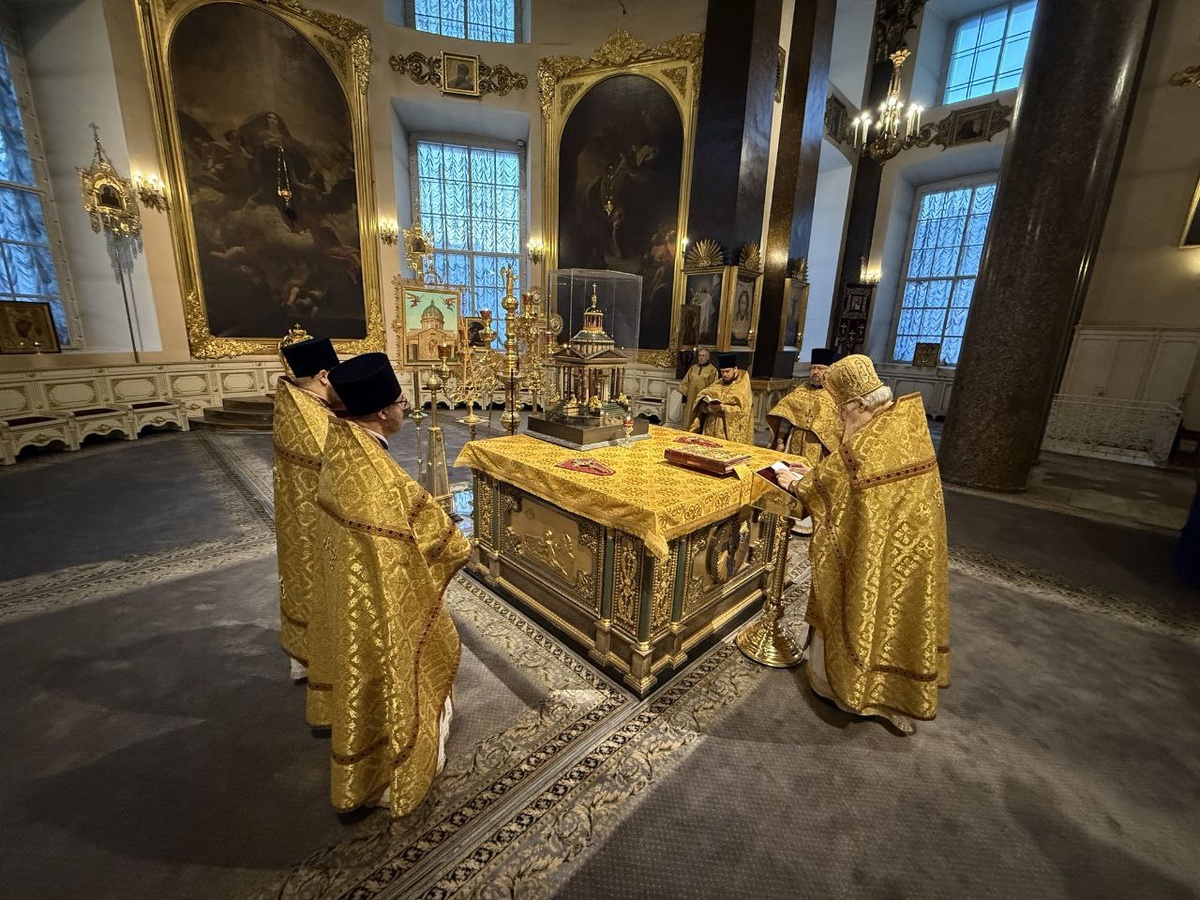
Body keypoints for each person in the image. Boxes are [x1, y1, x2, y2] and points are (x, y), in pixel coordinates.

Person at [314, 353, 470, 813]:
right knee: (396, 661)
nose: (405, 409)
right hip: (377, 596)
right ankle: (389, 764)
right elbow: (416, 540)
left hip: (347, 583)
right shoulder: (375, 477)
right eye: (402, 402)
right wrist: (454, 542)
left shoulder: (344, 444)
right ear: (384, 412)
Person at [776, 355, 949, 734]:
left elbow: (845, 480)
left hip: (873, 552)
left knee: (862, 605)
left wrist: (798, 483)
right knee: (892, 613)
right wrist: (818, 472)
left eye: (842, 408)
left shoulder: (866, 445)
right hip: (909, 550)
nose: (839, 416)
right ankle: (890, 692)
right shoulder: (902, 423)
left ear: (858, 404)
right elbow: (851, 479)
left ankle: (848, 689)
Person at [273, 336, 339, 690]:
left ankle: (306, 656)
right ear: (324, 376)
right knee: (322, 586)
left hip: (300, 517)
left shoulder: (294, 403)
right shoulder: (314, 421)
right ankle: (326, 662)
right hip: (317, 524)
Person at [767, 348, 843, 464]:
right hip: (794, 443)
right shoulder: (800, 390)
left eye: (820, 368)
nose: (815, 372)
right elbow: (786, 417)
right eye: (813, 368)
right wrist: (780, 441)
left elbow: (839, 428)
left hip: (820, 448)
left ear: (830, 371)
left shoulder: (835, 395)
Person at [689, 353, 754, 444]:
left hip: (727, 431)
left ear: (735, 369)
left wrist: (723, 408)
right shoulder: (718, 383)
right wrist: (706, 406)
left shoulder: (743, 386)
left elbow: (744, 411)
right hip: (710, 426)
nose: (724, 374)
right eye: (722, 372)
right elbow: (702, 396)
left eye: (727, 371)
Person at [678, 348, 718, 424]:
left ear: (708, 357)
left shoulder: (712, 370)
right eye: (700, 355)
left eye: (703, 356)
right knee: (689, 418)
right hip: (691, 400)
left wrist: (708, 401)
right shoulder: (693, 368)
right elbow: (685, 383)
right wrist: (684, 399)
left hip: (703, 401)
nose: (701, 357)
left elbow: (713, 387)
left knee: (699, 421)